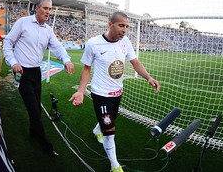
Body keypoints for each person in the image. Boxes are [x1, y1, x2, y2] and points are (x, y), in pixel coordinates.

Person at [69, 12, 160, 172]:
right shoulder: (93, 43)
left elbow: (135, 62)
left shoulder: (125, 42)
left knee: (109, 120)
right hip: (101, 95)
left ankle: (97, 130)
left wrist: (148, 78)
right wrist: (81, 91)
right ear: (110, 24)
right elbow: (86, 69)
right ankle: (115, 165)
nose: (124, 30)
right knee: (110, 132)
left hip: (118, 93)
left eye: (126, 26)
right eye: (121, 25)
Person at [3, 0, 74, 157]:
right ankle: (46, 147)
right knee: (35, 111)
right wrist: (13, 62)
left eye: (50, 9)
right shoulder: (23, 22)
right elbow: (7, 43)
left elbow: (57, 46)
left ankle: (32, 132)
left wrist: (67, 60)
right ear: (37, 8)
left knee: (36, 109)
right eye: (46, 8)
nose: (48, 11)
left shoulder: (48, 30)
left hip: (36, 72)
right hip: (21, 72)